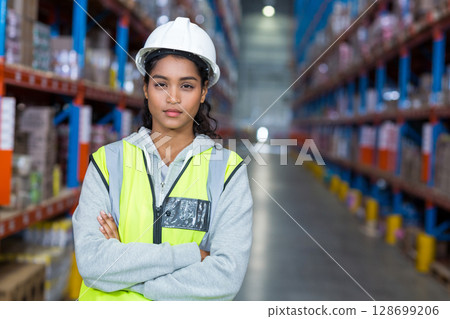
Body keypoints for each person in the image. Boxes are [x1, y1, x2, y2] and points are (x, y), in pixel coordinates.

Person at [72, 17, 253, 301]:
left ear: (204, 91)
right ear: (145, 88)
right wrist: (192, 255)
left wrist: (127, 276)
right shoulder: (107, 163)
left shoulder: (227, 172)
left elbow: (225, 276)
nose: (173, 98)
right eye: (161, 84)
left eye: (187, 86)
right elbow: (94, 263)